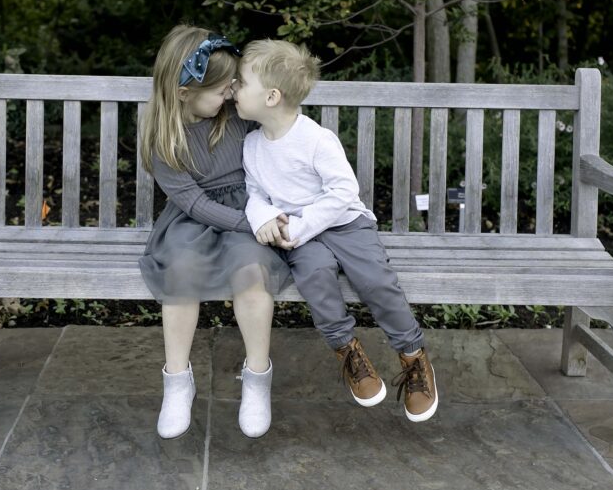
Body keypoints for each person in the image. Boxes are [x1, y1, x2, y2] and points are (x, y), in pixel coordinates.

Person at [234, 39, 439, 422]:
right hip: (299, 235)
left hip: (344, 224)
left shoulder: (314, 139)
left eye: (242, 83)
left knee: (375, 280)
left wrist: (302, 224)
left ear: (272, 96)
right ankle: (348, 350)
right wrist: (262, 218)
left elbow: (344, 191)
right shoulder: (252, 146)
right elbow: (254, 193)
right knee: (314, 275)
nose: (234, 88)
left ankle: (413, 355)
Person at [138, 25, 292, 439]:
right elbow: (193, 204)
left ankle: (257, 378)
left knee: (251, 274)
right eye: (222, 89)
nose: (230, 95)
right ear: (185, 91)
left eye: (233, 87)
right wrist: (250, 223)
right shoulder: (162, 135)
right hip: (194, 219)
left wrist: (263, 216)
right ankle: (177, 380)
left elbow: (281, 135)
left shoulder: (235, 115)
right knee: (181, 275)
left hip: (247, 210)